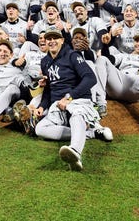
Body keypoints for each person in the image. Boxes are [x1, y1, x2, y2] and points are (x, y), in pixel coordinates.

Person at [34, 29, 113, 171]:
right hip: (57, 105)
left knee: (76, 116)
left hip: (78, 100)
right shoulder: (44, 61)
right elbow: (48, 89)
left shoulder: (72, 55)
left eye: (55, 38)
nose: (52, 41)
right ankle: (92, 132)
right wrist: (42, 106)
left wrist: (69, 97)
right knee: (40, 129)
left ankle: (76, 151)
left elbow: (90, 78)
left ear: (62, 40)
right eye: (49, 38)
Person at [96, 33, 139, 127]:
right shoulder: (124, 56)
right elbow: (108, 60)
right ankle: (100, 104)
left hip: (135, 87)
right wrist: (105, 45)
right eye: (136, 41)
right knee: (102, 59)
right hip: (119, 82)